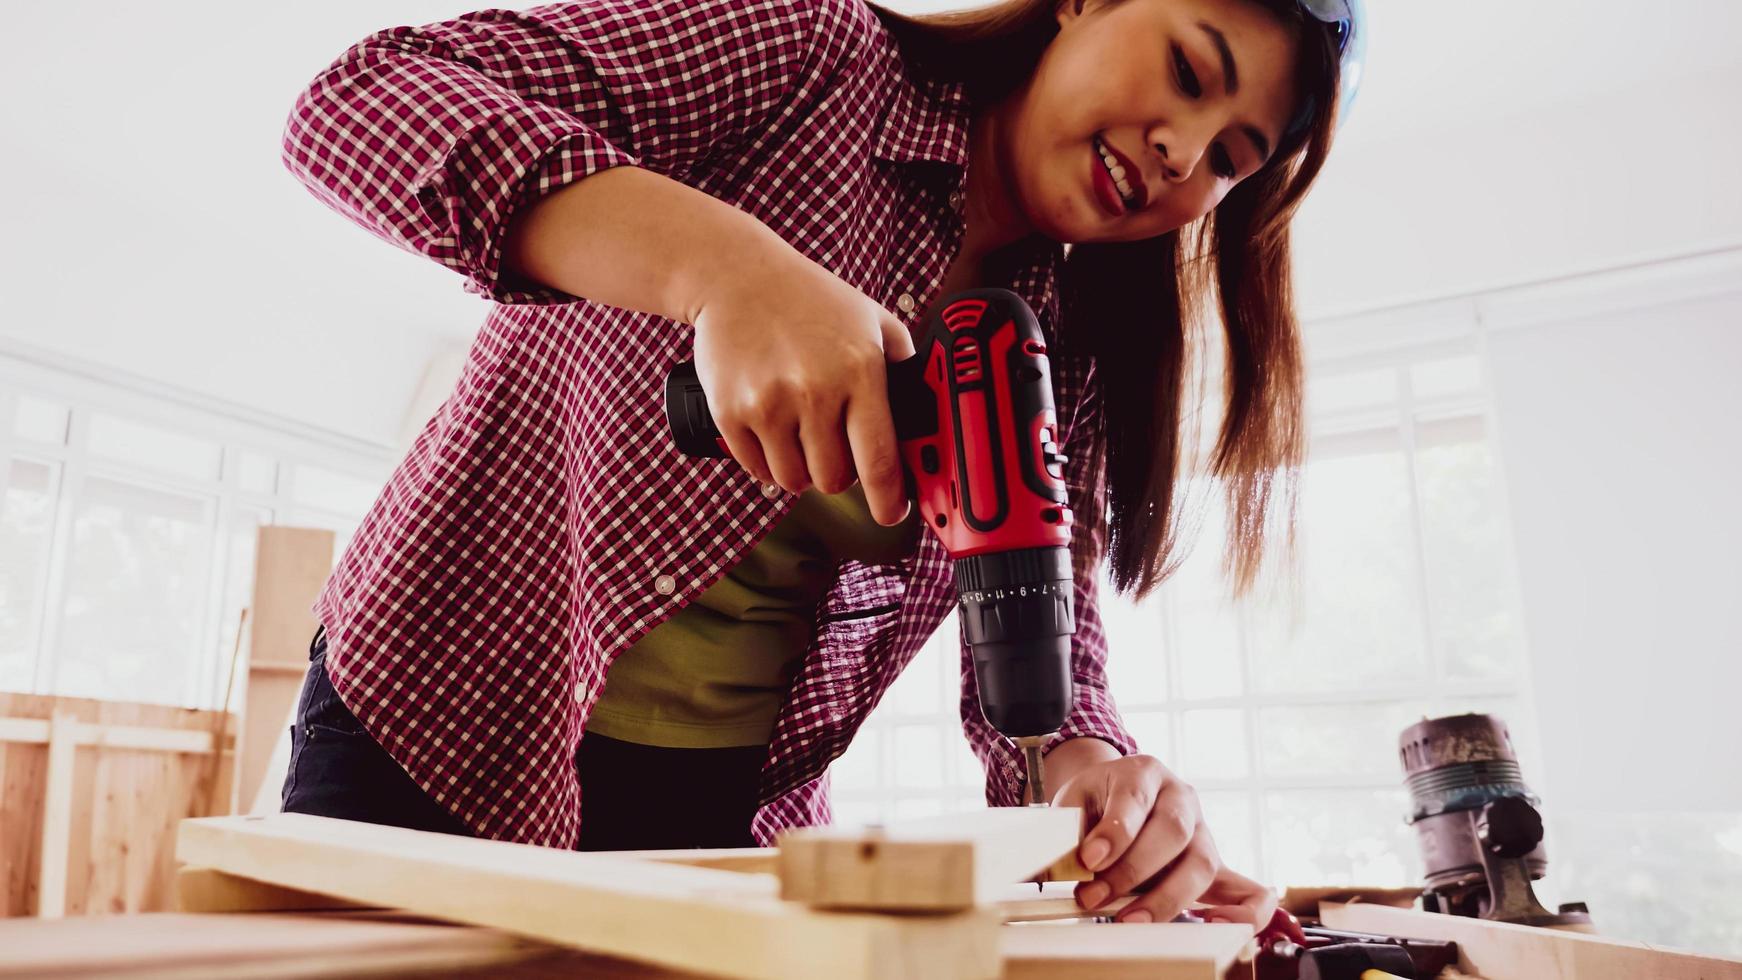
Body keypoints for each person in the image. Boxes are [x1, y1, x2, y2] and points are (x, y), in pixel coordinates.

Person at [277, 0, 1357, 927]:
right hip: (437, 719)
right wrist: (724, 269)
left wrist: (1093, 781)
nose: (1182, 152)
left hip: (714, 820)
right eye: (1186, 70)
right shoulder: (810, 55)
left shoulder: (1062, 352)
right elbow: (362, 103)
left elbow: (1039, 641)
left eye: (1228, 156)